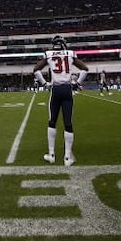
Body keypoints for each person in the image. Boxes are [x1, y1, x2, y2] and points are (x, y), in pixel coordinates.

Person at [33, 35, 89, 167]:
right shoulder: (69, 53)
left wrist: (45, 84)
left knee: (52, 121)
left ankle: (51, 155)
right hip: (67, 89)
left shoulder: (49, 54)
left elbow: (36, 70)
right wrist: (77, 83)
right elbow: (85, 69)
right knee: (68, 122)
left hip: (56, 89)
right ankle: (67, 157)